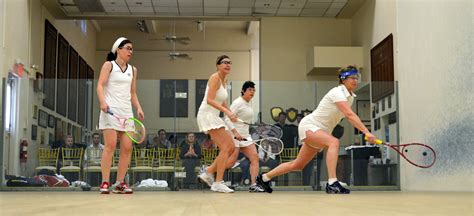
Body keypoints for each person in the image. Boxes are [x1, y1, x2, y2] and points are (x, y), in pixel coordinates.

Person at [256, 66, 377, 194]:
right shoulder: (337, 92)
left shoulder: (350, 97)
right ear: (343, 79)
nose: (355, 80)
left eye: (356, 78)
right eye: (352, 78)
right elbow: (349, 115)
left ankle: (264, 178)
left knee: (298, 165)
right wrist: (367, 132)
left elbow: (345, 117)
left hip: (320, 131)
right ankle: (332, 183)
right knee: (333, 142)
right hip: (310, 125)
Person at [97, 37, 145, 194]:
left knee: (127, 148)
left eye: (132, 49)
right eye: (128, 48)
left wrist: (138, 107)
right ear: (118, 49)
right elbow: (100, 86)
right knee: (110, 146)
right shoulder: (108, 65)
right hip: (110, 110)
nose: (130, 51)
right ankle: (105, 182)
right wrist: (103, 102)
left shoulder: (133, 70)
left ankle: (120, 183)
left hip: (126, 113)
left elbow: (133, 93)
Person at [196, 55, 237, 193]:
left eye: (230, 63)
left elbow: (223, 101)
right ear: (218, 65)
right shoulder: (215, 77)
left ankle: (208, 171)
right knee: (227, 147)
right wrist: (226, 111)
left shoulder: (225, 81)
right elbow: (210, 100)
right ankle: (218, 182)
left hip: (214, 116)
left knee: (230, 147)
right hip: (207, 115)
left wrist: (231, 114)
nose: (228, 65)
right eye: (224, 62)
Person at [221, 81, 264, 192]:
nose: (252, 92)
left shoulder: (248, 103)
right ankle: (209, 170)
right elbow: (227, 119)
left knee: (254, 157)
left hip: (245, 136)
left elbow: (243, 121)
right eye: (250, 90)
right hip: (233, 135)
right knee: (231, 163)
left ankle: (254, 184)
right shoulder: (237, 102)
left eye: (253, 90)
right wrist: (235, 132)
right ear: (243, 91)